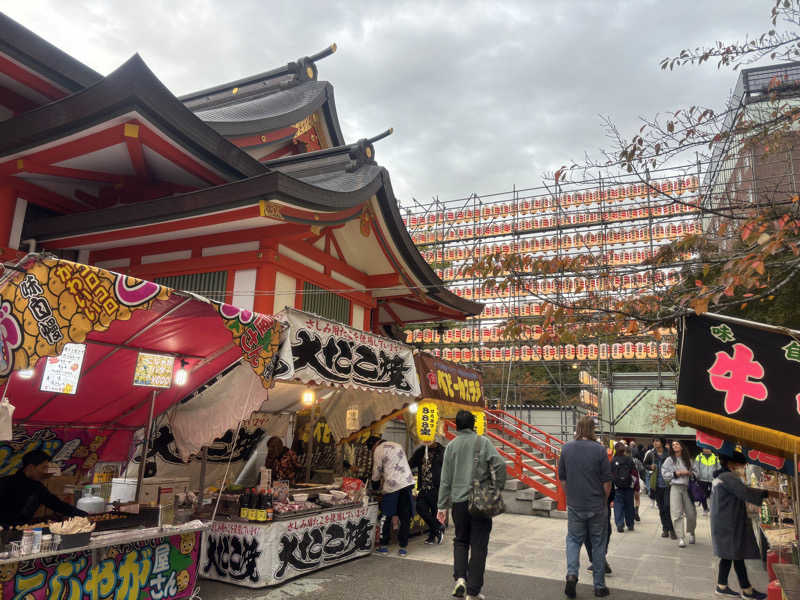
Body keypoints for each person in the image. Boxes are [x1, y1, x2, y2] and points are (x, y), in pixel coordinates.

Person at [437, 410, 506, 600]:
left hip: (458, 503)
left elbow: (445, 480)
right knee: (479, 545)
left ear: (457, 426)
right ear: (473, 424)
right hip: (480, 503)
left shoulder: (451, 446)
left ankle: (460, 578)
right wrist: (496, 487)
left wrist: (441, 506)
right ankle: (473, 591)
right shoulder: (482, 442)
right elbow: (500, 464)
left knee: (460, 540)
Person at [559, 416, 612, 598]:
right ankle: (599, 586)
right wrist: (604, 500)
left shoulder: (566, 448)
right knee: (597, 543)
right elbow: (607, 482)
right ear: (592, 430)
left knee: (573, 540)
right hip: (596, 503)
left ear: (577, 428)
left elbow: (563, 479)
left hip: (575, 504)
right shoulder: (599, 450)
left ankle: (572, 574)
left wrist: (570, 496)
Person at [710, 451, 768, 599]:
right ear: (731, 465)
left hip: (725, 521)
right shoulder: (728, 477)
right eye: (742, 465)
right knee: (734, 554)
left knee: (731, 555)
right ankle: (745, 590)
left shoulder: (722, 476)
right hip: (728, 523)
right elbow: (745, 492)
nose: (743, 468)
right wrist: (768, 494)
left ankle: (724, 586)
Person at [0, 450, 87, 527]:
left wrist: (84, 515)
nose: (45, 471)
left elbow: (57, 504)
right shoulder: (5, 483)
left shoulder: (37, 487)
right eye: (43, 467)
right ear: (30, 467)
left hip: (21, 530)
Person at [368, 435, 415, 557]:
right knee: (405, 517)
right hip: (406, 483)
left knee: (386, 515)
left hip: (392, 486)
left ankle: (383, 546)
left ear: (373, 446)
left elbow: (376, 471)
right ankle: (403, 548)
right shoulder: (397, 445)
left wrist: (375, 485)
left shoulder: (378, 450)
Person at [409, 436, 446, 544]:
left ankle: (432, 536)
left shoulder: (442, 451)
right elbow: (410, 463)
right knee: (420, 508)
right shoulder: (421, 451)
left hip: (437, 488)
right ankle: (437, 529)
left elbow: (448, 469)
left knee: (435, 512)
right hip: (424, 487)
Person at [662, 440, 698, 548]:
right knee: (676, 513)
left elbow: (697, 473)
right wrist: (675, 474)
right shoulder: (669, 460)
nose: (674, 446)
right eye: (673, 445)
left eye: (677, 444)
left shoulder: (688, 460)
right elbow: (664, 474)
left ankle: (691, 532)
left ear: (682, 446)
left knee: (691, 513)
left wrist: (689, 473)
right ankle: (681, 537)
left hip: (687, 488)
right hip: (675, 487)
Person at [644, 438, 675, 538]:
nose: (655, 443)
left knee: (667, 507)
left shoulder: (669, 453)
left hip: (667, 484)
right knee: (661, 508)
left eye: (657, 441)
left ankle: (671, 529)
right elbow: (645, 464)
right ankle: (665, 529)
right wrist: (650, 467)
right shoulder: (651, 453)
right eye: (654, 441)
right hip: (656, 484)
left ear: (662, 442)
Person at [610, 442, 635, 532]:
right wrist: (633, 485)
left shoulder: (613, 460)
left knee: (618, 505)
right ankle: (630, 524)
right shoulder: (629, 459)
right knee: (629, 505)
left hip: (617, 487)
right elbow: (634, 473)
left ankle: (620, 524)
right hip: (628, 487)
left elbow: (610, 474)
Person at [694, 448, 719, 515]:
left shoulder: (715, 457)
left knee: (713, 495)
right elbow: (696, 467)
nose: (707, 449)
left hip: (712, 480)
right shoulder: (699, 457)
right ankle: (705, 509)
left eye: (708, 448)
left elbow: (719, 467)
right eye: (705, 448)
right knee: (702, 495)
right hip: (702, 479)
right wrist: (697, 476)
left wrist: (717, 476)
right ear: (702, 449)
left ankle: (713, 509)